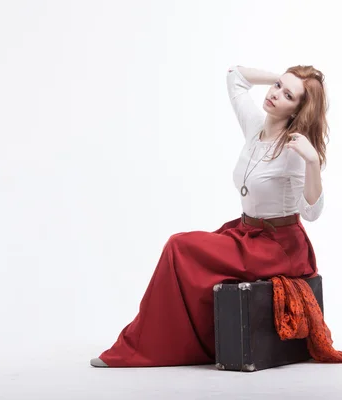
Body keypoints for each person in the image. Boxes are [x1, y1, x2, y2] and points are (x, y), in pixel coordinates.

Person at [90, 64, 328, 367]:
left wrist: (312, 162)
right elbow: (236, 77)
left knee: (179, 246)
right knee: (191, 265)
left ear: (298, 109)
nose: (274, 94)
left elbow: (312, 212)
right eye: (277, 86)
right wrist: (281, 75)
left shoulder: (295, 151)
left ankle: (141, 347)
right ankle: (173, 343)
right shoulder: (256, 127)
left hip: (277, 247)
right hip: (247, 234)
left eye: (288, 95)